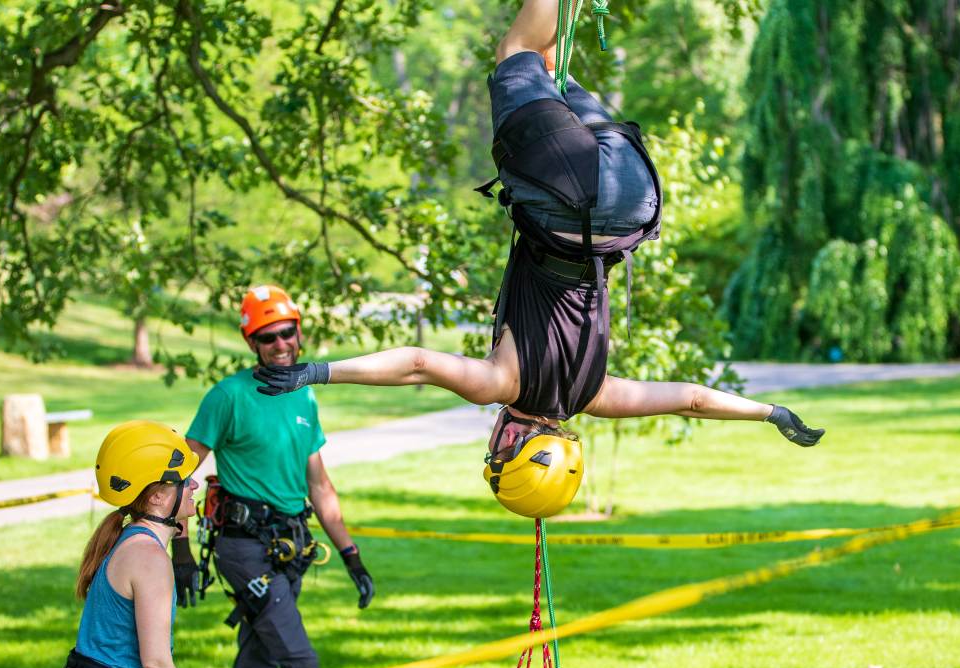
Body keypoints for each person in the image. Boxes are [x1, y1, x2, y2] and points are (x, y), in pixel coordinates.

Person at [252, 0, 823, 503]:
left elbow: (691, 399)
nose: (491, 441)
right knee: (515, 50)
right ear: (513, 442)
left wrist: (771, 412)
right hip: (564, 194)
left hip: (632, 199)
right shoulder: (500, 384)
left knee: (545, 69)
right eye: (497, 452)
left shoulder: (597, 396)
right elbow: (418, 364)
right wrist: (316, 372)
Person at [182, 285, 373, 668]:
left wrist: (350, 555)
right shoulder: (227, 397)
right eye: (268, 337)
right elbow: (177, 476)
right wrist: (178, 549)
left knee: (255, 667)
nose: (281, 344)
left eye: (287, 332)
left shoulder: (304, 395)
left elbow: (319, 485)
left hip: (290, 548)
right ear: (252, 342)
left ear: (298, 332)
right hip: (244, 548)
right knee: (300, 659)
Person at [45, 420, 210, 668]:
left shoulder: (130, 540)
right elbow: (156, 664)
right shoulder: (149, 558)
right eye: (184, 479)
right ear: (157, 497)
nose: (195, 485)